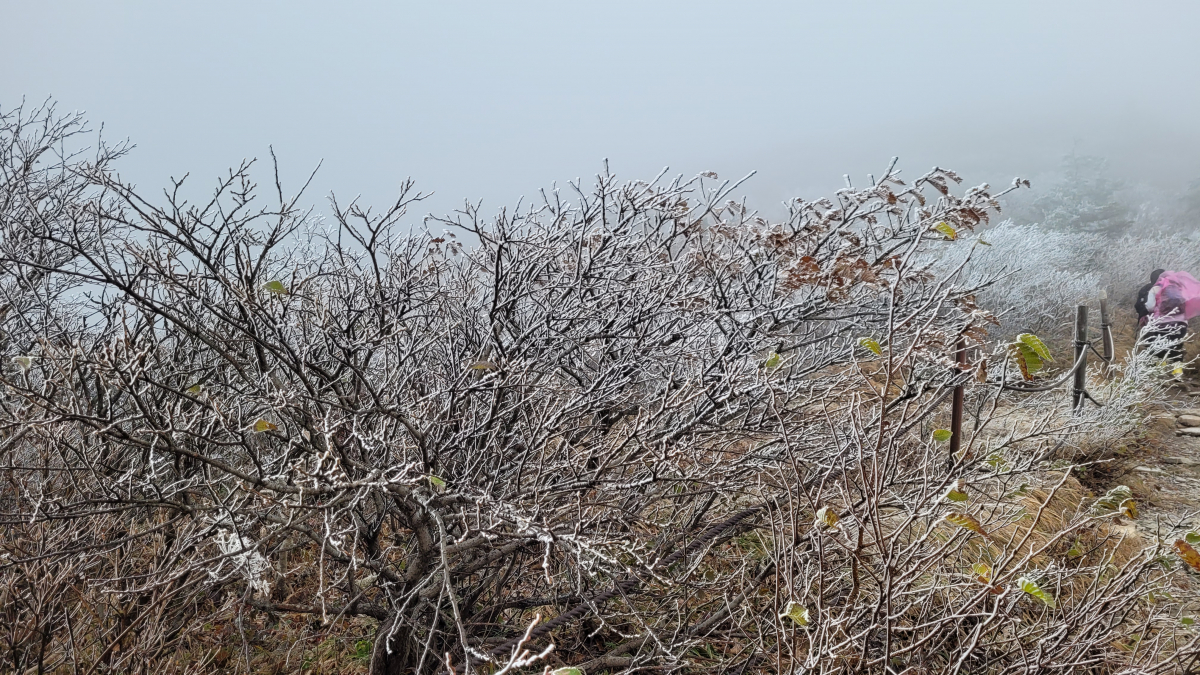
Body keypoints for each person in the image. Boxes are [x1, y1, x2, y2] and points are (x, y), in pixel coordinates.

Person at [1142, 269, 1200, 363]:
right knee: (1177, 348)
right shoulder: (1180, 288)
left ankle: (1161, 369)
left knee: (1159, 348)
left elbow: (1150, 306)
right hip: (1180, 323)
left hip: (1161, 323)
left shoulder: (1157, 287)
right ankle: (1177, 369)